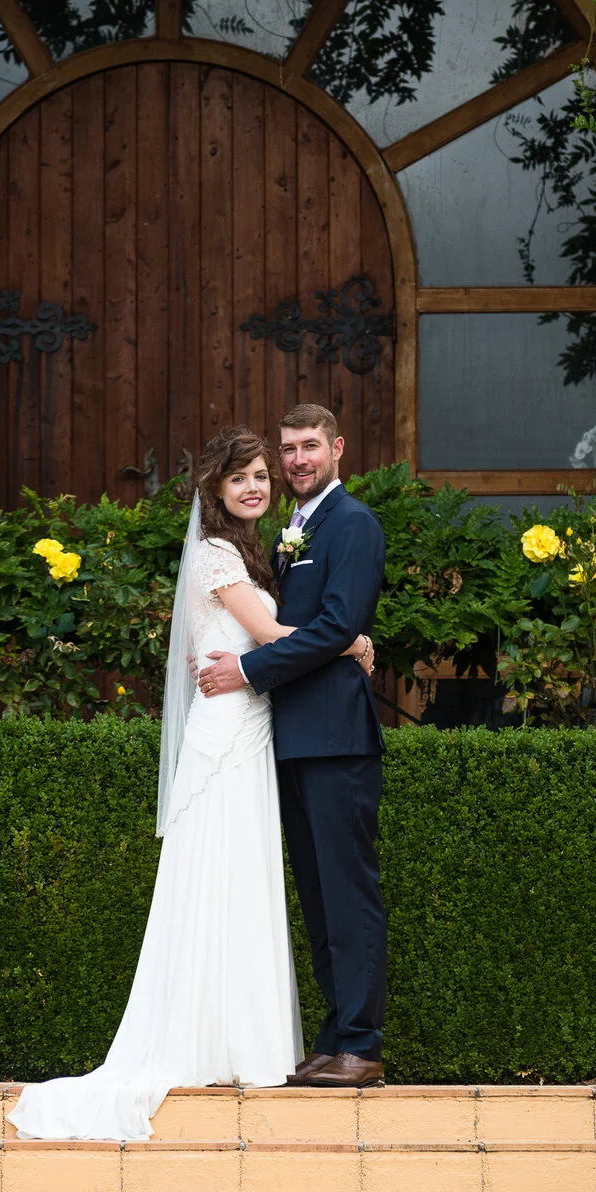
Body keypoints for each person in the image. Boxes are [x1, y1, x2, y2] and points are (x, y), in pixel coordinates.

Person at [6, 426, 374, 1141]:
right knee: (220, 877)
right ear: (214, 487)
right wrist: (349, 639)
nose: (257, 486)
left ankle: (248, 1040)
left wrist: (317, 635)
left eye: (263, 474)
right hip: (231, 732)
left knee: (243, 881)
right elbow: (271, 635)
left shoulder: (253, 551)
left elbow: (261, 632)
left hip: (251, 726)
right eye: (241, 477)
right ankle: (227, 1043)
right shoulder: (214, 552)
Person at [198, 404, 387, 1088]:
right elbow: (304, 626)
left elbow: (338, 621)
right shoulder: (290, 532)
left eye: (310, 446)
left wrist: (247, 670)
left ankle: (362, 1045)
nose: (298, 459)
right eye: (288, 449)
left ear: (337, 447)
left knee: (349, 892)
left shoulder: (354, 525)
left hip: (336, 736)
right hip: (292, 738)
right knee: (317, 895)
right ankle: (335, 1036)